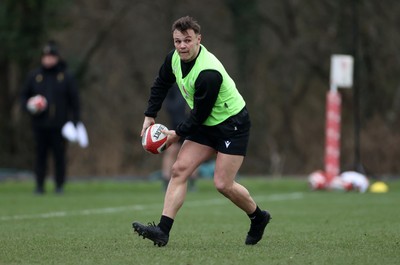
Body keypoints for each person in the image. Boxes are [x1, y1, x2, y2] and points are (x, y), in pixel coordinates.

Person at [133, 16, 271, 247]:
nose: (182, 46)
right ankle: (162, 231)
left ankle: (258, 217)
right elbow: (160, 84)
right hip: (206, 125)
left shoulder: (209, 72)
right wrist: (149, 115)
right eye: (177, 41)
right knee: (179, 170)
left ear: (199, 39)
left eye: (187, 40)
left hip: (232, 125)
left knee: (223, 184)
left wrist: (177, 133)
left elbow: (199, 115)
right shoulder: (173, 59)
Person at [21, 41, 80, 194]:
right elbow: (24, 97)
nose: (48, 60)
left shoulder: (65, 76)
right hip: (39, 124)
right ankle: (39, 185)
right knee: (40, 156)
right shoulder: (35, 76)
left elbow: (75, 101)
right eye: (45, 56)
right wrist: (30, 106)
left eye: (51, 56)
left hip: (59, 125)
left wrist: (74, 122)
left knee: (59, 156)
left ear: (57, 58)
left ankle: (59, 185)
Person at [161, 84, 198, 191]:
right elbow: (168, 102)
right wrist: (176, 112)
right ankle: (165, 180)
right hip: (177, 124)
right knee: (171, 151)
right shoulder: (174, 85)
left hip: (192, 123)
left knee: (194, 152)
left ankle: (192, 181)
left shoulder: (194, 82)